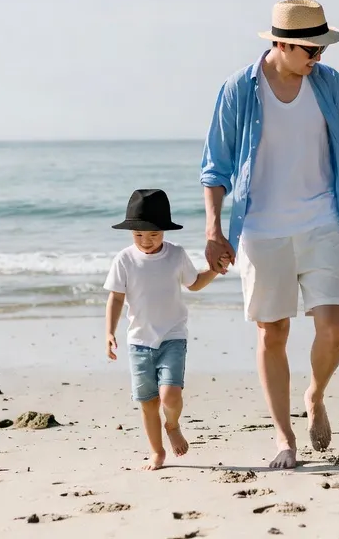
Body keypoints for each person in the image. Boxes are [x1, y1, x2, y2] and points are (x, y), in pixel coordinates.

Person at [200, 0, 339, 470]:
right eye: (310, 50)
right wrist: (215, 230)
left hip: (323, 221)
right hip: (261, 230)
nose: (318, 58)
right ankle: (284, 437)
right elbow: (215, 167)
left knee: (334, 332)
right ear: (281, 43)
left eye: (322, 49)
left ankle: (315, 394)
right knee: (273, 332)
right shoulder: (240, 89)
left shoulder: (329, 84)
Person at [104, 189, 222, 471]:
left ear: (164, 231)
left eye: (153, 235)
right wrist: (109, 331)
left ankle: (172, 424)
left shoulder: (176, 255)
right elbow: (116, 297)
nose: (146, 241)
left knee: (170, 396)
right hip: (139, 342)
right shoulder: (124, 260)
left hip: (172, 336)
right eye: (138, 236)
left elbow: (193, 283)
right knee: (147, 402)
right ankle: (157, 452)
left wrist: (215, 269)